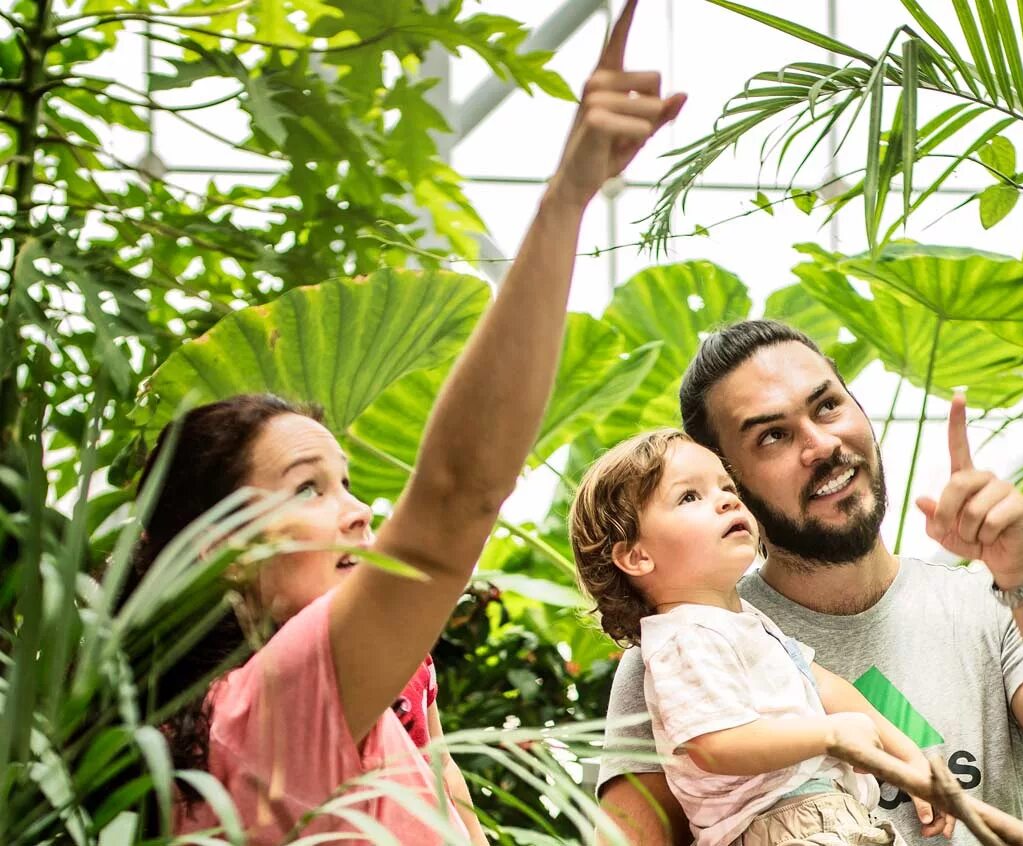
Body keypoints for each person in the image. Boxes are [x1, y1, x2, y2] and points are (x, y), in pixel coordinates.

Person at [124, 4, 685, 842]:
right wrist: (567, 198)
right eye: (307, 486)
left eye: (348, 481)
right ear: (219, 553)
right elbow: (459, 495)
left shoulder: (352, 712)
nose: (359, 509)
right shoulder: (271, 708)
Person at [596, 321, 1023, 846]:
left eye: (828, 406)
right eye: (772, 437)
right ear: (729, 483)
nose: (820, 445)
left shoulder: (984, 606)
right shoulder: (677, 652)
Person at [568, 430, 954, 846]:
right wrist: (830, 735)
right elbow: (713, 745)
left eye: (726, 487)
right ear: (637, 556)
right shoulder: (684, 639)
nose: (727, 500)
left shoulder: (743, 622)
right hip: (778, 827)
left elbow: (824, 685)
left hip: (826, 817)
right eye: (689, 497)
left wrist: (909, 757)